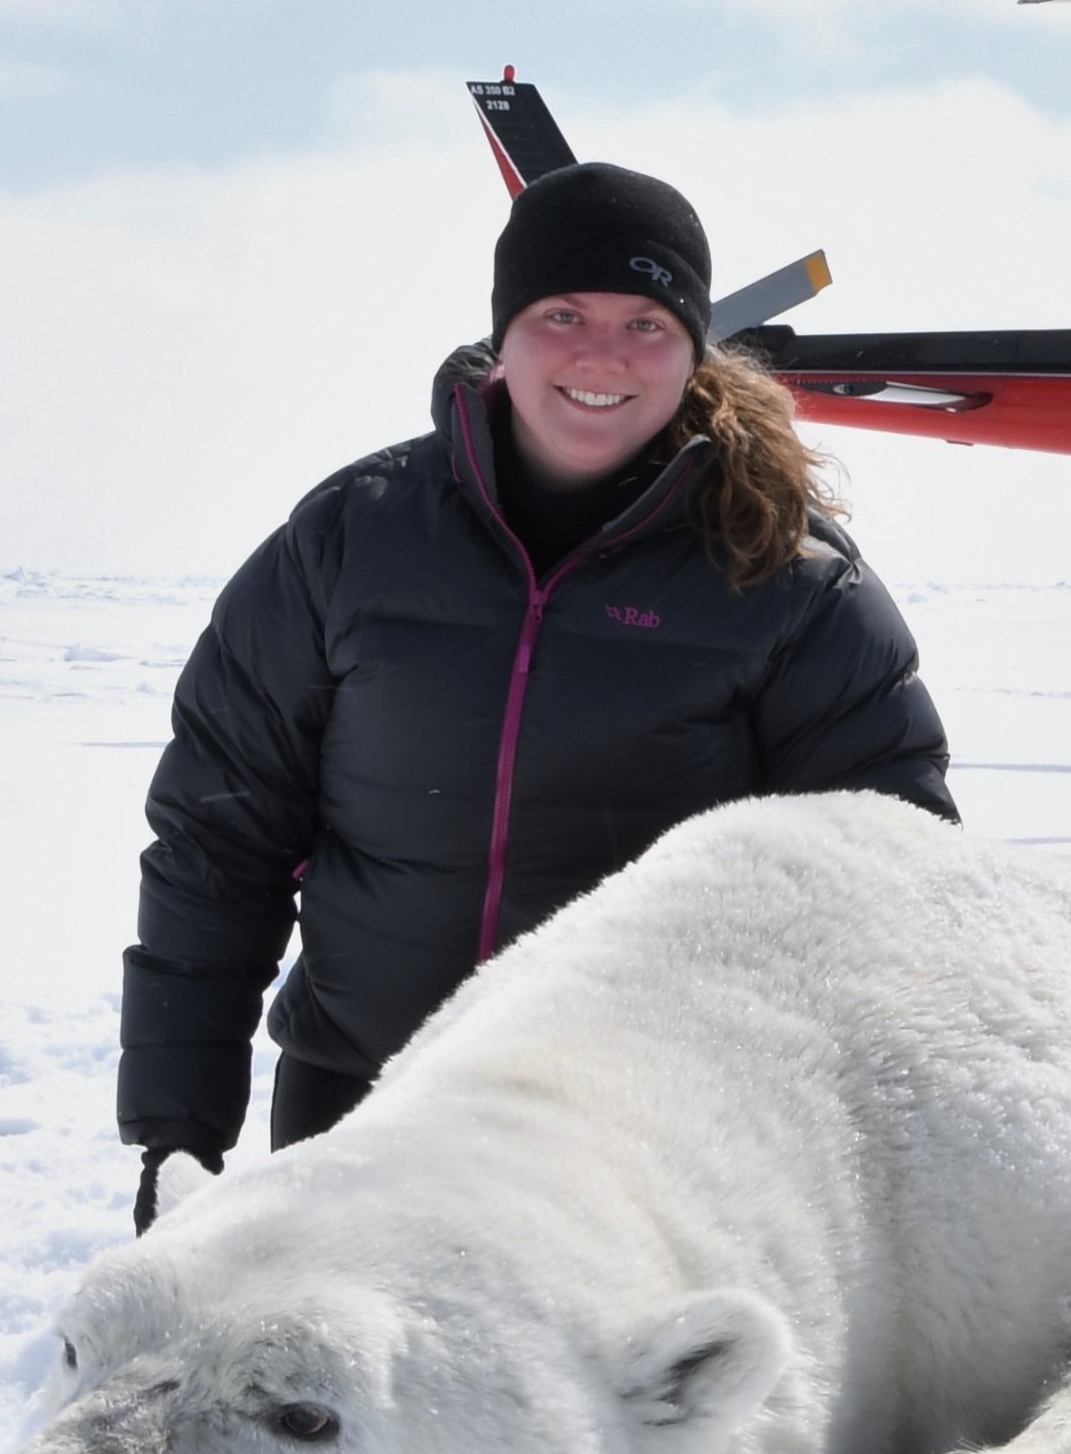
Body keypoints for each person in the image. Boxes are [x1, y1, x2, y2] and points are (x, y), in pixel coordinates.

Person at [115, 160, 956, 1228]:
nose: (601, 354)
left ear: (693, 348)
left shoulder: (786, 582)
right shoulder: (349, 541)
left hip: (641, 1149)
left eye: (645, 322)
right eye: (562, 312)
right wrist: (176, 1133)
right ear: (500, 335)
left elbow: (889, 881)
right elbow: (215, 842)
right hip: (363, 1104)